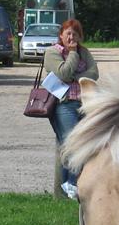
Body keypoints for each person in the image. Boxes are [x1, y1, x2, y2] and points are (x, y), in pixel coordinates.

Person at [41, 18, 98, 199]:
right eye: (68, 33)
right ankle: (72, 184)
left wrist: (75, 76)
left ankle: (67, 186)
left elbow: (94, 73)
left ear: (80, 36)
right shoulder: (52, 52)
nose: (71, 37)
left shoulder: (84, 52)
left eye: (75, 34)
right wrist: (72, 53)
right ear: (61, 35)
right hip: (63, 105)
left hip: (84, 104)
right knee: (73, 145)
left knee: (78, 145)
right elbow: (63, 73)